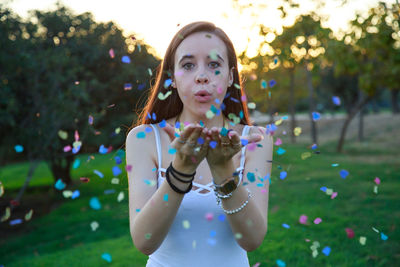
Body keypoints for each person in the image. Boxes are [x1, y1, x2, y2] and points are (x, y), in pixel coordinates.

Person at [126, 21, 273, 267]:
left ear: (230, 77)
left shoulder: (255, 140)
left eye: (214, 64)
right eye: (188, 65)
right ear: (172, 78)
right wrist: (181, 171)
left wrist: (224, 173)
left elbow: (252, 239)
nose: (202, 76)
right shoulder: (144, 139)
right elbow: (144, 242)